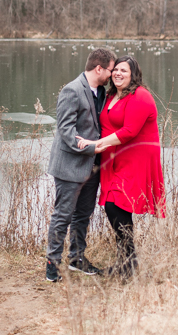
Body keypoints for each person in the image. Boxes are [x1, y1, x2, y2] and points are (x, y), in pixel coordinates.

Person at [77, 55, 165, 279]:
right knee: (115, 205)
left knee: (115, 205)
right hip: (113, 157)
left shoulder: (140, 96)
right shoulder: (111, 95)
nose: (117, 73)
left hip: (135, 157)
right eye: (115, 69)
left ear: (133, 74)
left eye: (123, 71)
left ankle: (128, 264)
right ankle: (127, 263)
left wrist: (95, 145)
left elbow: (129, 132)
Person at [45, 48, 116, 283]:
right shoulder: (72, 90)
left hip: (92, 167)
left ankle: (76, 259)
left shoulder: (102, 92)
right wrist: (91, 147)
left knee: (83, 215)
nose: (112, 74)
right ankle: (52, 265)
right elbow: (65, 130)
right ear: (99, 68)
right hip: (70, 165)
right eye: (110, 70)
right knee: (63, 215)